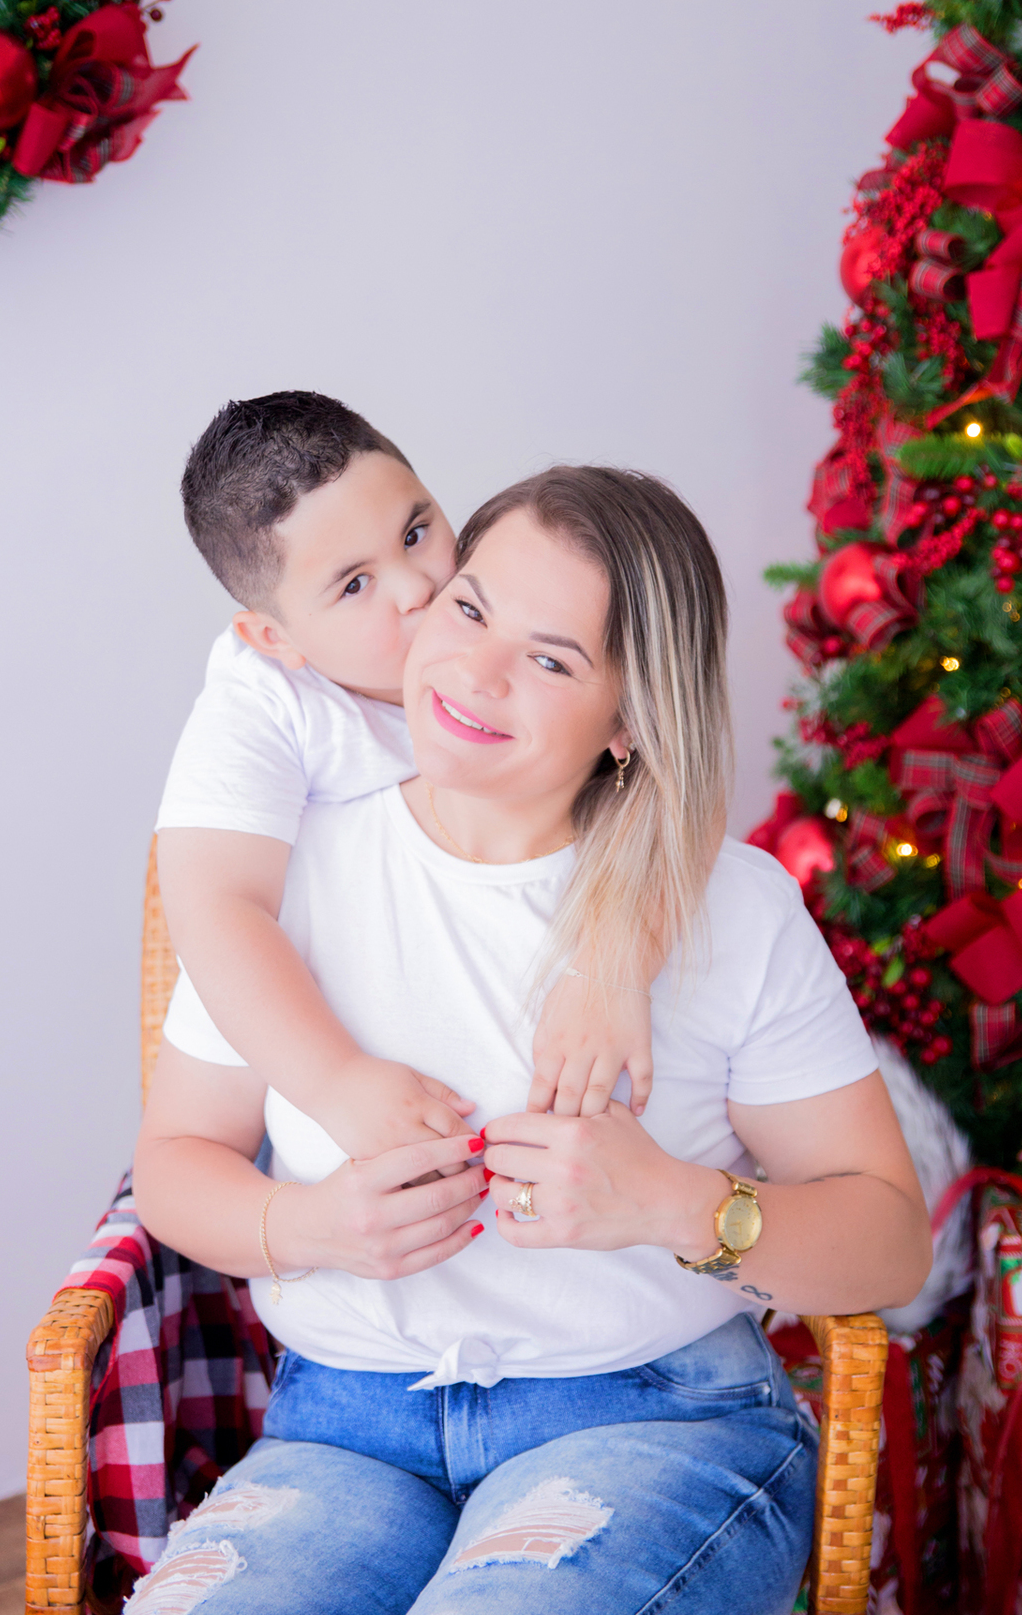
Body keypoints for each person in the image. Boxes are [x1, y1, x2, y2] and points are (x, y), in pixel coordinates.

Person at [120, 465, 931, 1615]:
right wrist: (309, 1229)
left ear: (628, 721)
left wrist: (674, 1200)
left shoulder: (729, 911)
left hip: (656, 1426)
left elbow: (891, 1239)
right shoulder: (287, 880)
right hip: (344, 1433)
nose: (476, 671)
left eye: (552, 660)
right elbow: (176, 1164)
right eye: (469, 609)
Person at [155, 392, 658, 1171]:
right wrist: (335, 1081)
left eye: (417, 532)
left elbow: (667, 781)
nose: (417, 587)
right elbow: (214, 905)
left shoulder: (512, 633)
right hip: (353, 1008)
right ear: (274, 637)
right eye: (354, 585)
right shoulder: (264, 703)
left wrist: (610, 966)